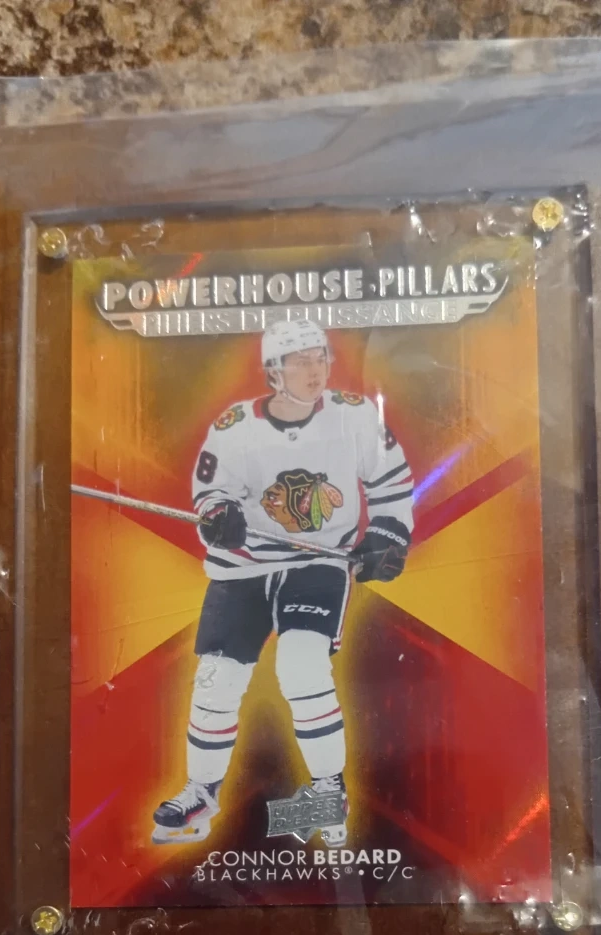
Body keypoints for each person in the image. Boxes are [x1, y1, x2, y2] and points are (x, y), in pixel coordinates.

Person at [152, 318, 414, 847]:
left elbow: (391, 484)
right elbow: (212, 493)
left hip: (317, 563)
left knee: (301, 664)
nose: (315, 371)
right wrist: (219, 516)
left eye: (320, 358)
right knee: (216, 678)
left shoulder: (355, 415)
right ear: (274, 372)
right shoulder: (234, 427)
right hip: (242, 567)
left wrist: (388, 533)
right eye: (300, 362)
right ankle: (202, 790)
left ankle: (328, 791)